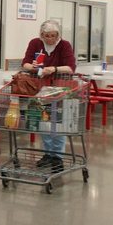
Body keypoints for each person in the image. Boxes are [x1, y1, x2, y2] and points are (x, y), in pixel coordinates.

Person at [21, 19, 77, 171]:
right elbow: (25, 63)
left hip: (60, 88)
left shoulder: (64, 45)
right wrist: (32, 67)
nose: (50, 39)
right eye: (47, 36)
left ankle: (57, 156)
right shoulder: (35, 43)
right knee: (44, 121)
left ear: (58, 35)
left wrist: (53, 69)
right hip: (40, 88)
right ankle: (47, 154)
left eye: (53, 35)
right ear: (41, 34)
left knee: (58, 121)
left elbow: (70, 68)